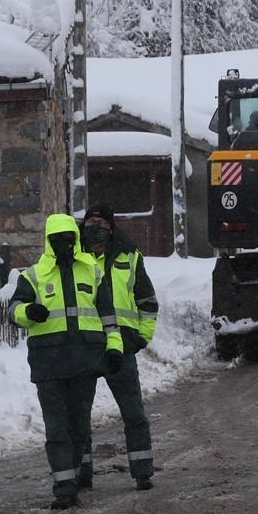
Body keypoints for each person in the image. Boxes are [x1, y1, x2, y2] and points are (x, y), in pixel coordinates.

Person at [10, 214, 123, 509]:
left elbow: (109, 318)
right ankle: (64, 486)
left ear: (75, 239)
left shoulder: (92, 272)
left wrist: (114, 349)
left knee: (80, 425)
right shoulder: (33, 275)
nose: (65, 244)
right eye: (58, 239)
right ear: (48, 241)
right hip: (49, 363)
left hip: (84, 361)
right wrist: (28, 312)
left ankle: (72, 473)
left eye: (70, 238)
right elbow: (13, 310)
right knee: (57, 427)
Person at [78, 204, 159, 491]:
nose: (94, 226)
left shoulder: (129, 255)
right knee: (79, 414)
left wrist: (142, 337)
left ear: (111, 228)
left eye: (100, 222)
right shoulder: (72, 255)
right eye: (90, 221)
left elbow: (147, 302)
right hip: (86, 345)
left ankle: (142, 470)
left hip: (122, 347)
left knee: (133, 412)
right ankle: (81, 472)